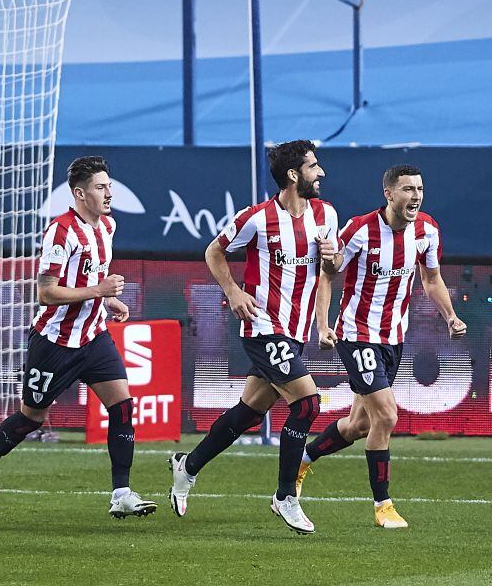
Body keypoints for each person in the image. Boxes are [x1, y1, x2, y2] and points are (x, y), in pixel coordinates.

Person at [0, 156, 156, 519]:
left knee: (122, 406)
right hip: (54, 342)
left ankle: (121, 492)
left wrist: (109, 298)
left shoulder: (108, 227)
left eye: (109, 185)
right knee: (31, 418)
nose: (109, 193)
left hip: (93, 336)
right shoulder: (61, 231)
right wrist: (100, 289)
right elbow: (47, 293)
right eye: (100, 187)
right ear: (79, 193)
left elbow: (89, 280)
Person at [168, 140, 338, 535]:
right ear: (294, 174)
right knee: (308, 404)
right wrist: (232, 291)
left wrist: (332, 263)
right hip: (263, 328)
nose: (322, 173)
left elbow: (332, 267)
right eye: (314, 166)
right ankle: (285, 496)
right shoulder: (257, 218)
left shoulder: (325, 214)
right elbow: (214, 251)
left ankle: (187, 466)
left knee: (248, 411)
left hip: (294, 333)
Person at [301, 164, 467, 528]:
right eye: (407, 189)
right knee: (388, 416)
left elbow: (432, 279)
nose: (416, 196)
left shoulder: (427, 231)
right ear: (389, 194)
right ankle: (383, 506)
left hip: (394, 338)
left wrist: (451, 316)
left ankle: (303, 458)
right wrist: (324, 326)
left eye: (419, 189)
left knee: (359, 424)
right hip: (357, 334)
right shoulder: (360, 230)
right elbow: (327, 275)